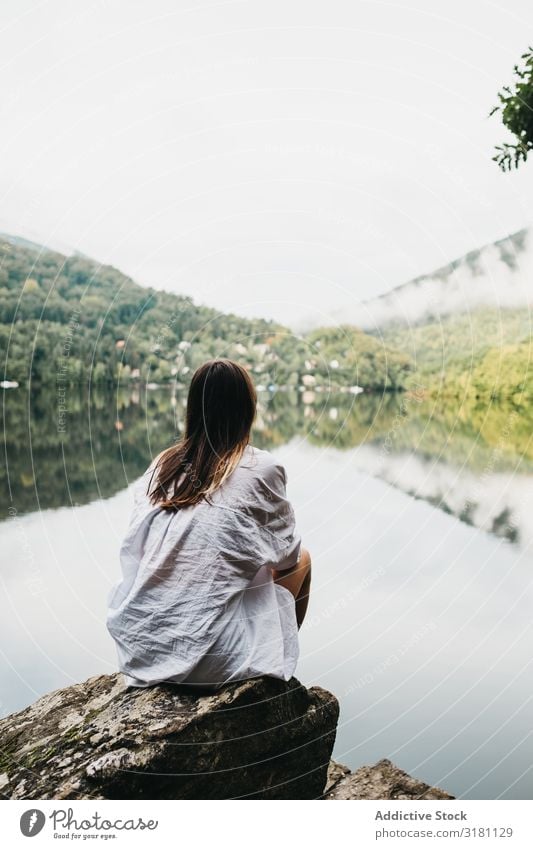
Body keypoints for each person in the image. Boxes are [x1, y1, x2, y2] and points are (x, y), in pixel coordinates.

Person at [107, 358, 311, 690]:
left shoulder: (164, 463)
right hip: (210, 661)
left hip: (140, 650)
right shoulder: (262, 468)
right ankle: (272, 677)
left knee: (239, 564)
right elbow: (287, 559)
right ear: (247, 409)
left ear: (193, 408)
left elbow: (139, 550)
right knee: (302, 560)